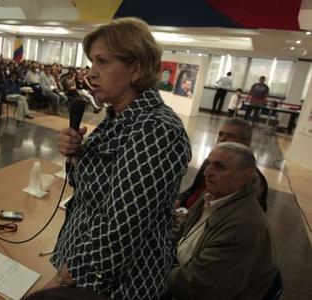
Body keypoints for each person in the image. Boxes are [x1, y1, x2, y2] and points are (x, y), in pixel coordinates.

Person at [51, 18, 191, 299]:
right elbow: (91, 190)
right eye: (91, 62)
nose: (90, 74)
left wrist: (67, 277)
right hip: (81, 264)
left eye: (102, 62)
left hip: (117, 284)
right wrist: (77, 155)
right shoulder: (118, 117)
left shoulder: (156, 128)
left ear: (135, 69)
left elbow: (120, 228)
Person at [168, 142, 277, 300]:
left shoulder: (242, 228)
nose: (206, 172)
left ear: (245, 176)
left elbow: (196, 285)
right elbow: (180, 231)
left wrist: (151, 270)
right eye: (207, 164)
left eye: (219, 167)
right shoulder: (211, 196)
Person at [176, 118, 268, 212]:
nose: (222, 139)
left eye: (230, 136)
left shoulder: (253, 178)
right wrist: (179, 200)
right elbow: (194, 189)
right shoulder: (211, 161)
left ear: (246, 142)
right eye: (221, 134)